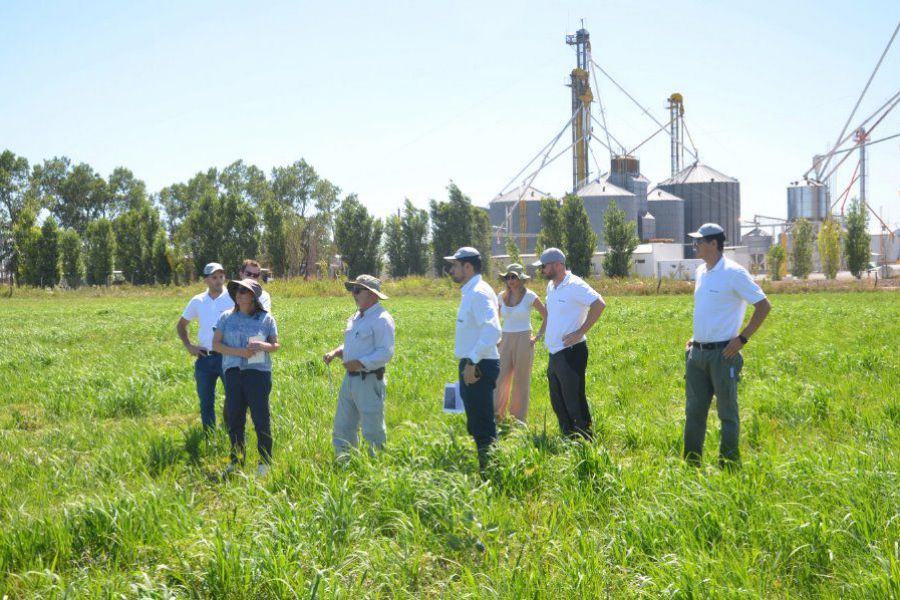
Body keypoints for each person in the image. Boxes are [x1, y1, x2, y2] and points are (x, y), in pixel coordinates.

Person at [684, 223, 771, 468]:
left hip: (724, 355)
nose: (695, 245)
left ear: (714, 244)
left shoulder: (734, 273)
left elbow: (763, 306)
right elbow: (710, 310)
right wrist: (696, 338)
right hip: (697, 355)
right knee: (694, 413)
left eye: (699, 241)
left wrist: (742, 339)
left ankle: (729, 466)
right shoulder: (701, 271)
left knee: (727, 414)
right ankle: (691, 466)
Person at [533, 248, 605, 439]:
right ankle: (569, 437)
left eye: (544, 266)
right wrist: (541, 334)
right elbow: (550, 314)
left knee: (574, 399)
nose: (542, 270)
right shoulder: (551, 286)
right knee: (557, 400)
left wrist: (580, 332)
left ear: (558, 264)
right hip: (554, 353)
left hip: (572, 352)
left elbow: (599, 304)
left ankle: (586, 440)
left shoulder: (575, 284)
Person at [213, 277, 280, 477]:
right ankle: (236, 461)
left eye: (244, 291)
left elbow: (276, 345)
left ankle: (265, 462)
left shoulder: (266, 318)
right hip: (233, 373)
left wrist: (264, 346)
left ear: (252, 296)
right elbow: (216, 345)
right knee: (235, 418)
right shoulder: (226, 317)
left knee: (261, 418)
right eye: (237, 290)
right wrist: (240, 352)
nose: (239, 294)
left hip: (258, 374)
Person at [323, 275, 396, 459]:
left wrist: (360, 363)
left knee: (372, 427)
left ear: (372, 294)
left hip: (369, 379)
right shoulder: (356, 317)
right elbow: (353, 345)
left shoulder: (382, 319)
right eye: (352, 290)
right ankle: (344, 460)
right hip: (349, 380)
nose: (353, 294)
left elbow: (385, 352)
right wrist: (336, 351)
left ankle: (377, 464)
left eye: (357, 290)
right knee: (343, 424)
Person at [445, 247, 502, 470]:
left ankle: (492, 474)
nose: (451, 270)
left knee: (482, 424)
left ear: (467, 267)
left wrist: (472, 361)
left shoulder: (478, 292)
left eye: (455, 266)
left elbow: (493, 329)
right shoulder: (471, 291)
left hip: (478, 365)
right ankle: (487, 467)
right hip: (474, 363)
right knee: (476, 423)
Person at [176, 262, 234, 429]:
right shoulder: (198, 301)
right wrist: (189, 346)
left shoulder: (232, 298)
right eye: (214, 277)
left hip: (227, 358)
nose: (218, 281)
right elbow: (181, 325)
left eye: (221, 277)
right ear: (206, 280)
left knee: (233, 398)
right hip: (204, 359)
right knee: (206, 402)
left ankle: (232, 433)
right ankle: (209, 437)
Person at [494, 263, 547, 424]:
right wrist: (496, 339)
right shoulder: (501, 296)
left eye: (513, 277)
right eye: (508, 277)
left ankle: (519, 420)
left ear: (521, 279)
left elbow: (547, 315)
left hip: (524, 339)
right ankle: (497, 416)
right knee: (500, 378)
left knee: (521, 379)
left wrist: (537, 336)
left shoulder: (530, 296)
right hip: (505, 339)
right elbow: (495, 319)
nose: (510, 280)